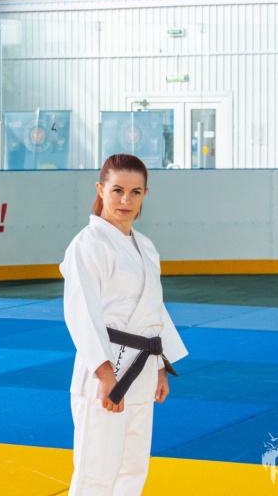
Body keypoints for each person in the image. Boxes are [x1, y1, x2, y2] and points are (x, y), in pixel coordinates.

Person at [60, 153, 188, 495]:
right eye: (117, 190)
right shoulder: (88, 245)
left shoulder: (145, 246)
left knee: (132, 471)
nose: (125, 201)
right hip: (107, 369)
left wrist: (160, 368)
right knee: (96, 475)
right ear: (100, 189)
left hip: (142, 368)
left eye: (135, 192)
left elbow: (153, 310)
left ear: (145, 194)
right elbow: (81, 313)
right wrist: (105, 376)